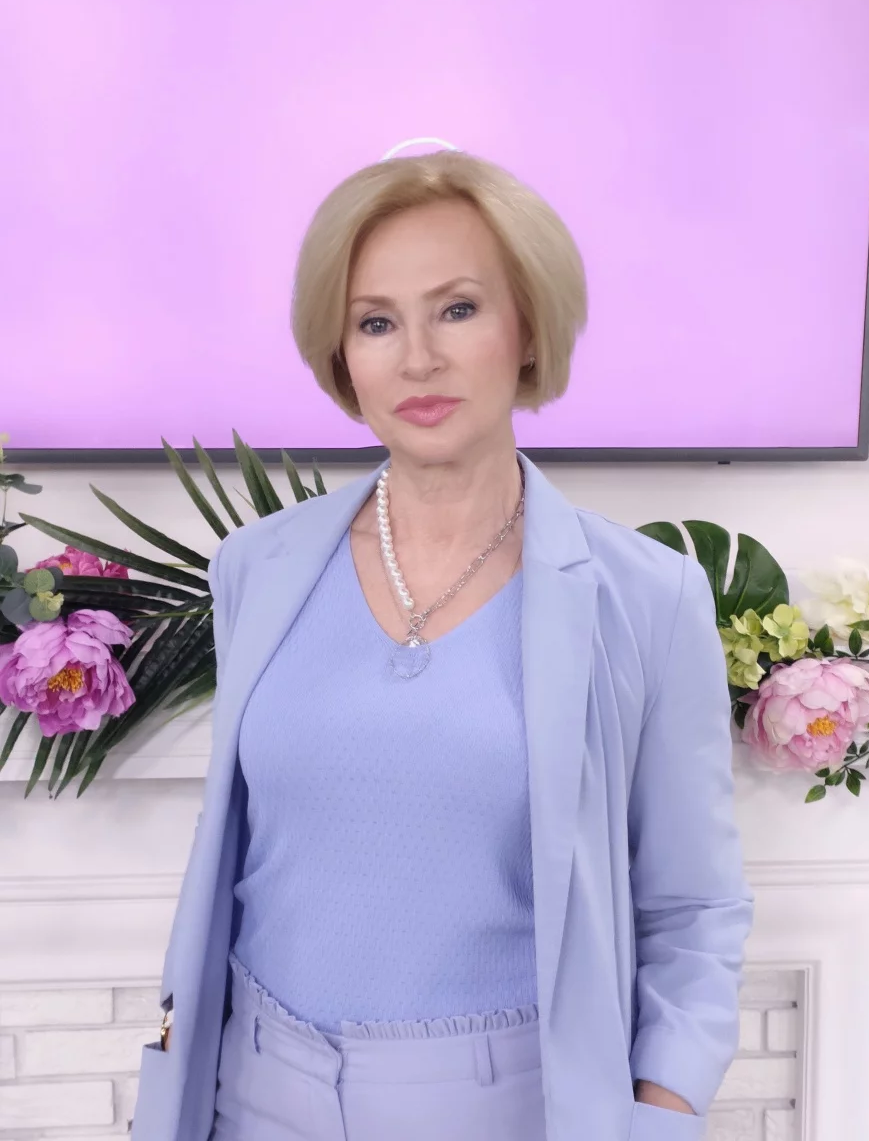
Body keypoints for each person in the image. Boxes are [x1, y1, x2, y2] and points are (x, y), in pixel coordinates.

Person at [130, 150, 753, 1141]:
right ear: (342, 355)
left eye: (457, 309)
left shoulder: (647, 597)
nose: (417, 359)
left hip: (507, 1108)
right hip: (253, 1093)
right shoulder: (257, 567)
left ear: (528, 326)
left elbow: (692, 909)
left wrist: (660, 1112)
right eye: (376, 322)